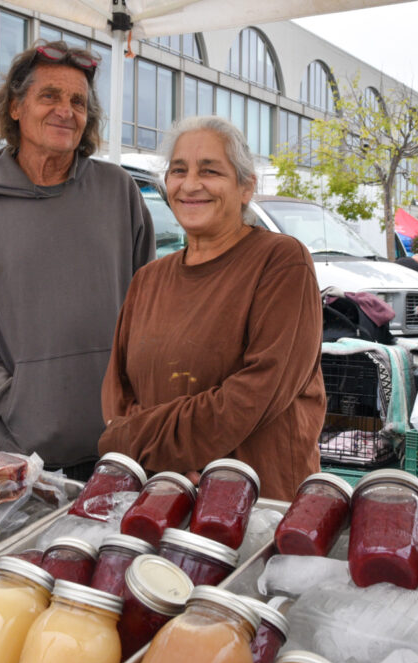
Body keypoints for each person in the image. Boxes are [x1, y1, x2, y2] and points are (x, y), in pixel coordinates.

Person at [0, 41, 155, 479]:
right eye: (50, 96)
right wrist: (8, 399)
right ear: (16, 108)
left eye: (78, 101)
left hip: (114, 450)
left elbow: (152, 309)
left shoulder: (119, 191)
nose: (66, 110)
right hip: (13, 454)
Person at [97, 116, 326, 501]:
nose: (190, 185)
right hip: (161, 497)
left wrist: (138, 443)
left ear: (246, 186)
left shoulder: (282, 261)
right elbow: (118, 392)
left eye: (210, 171)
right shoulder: (148, 279)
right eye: (179, 171)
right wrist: (160, 465)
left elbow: (256, 393)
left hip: (255, 505)